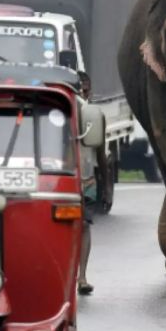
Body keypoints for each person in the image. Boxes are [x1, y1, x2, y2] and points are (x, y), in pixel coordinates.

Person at [76, 70, 95, 295]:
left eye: (86, 89)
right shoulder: (59, 108)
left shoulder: (90, 113)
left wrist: (103, 177)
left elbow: (97, 148)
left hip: (87, 178)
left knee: (84, 226)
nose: (83, 92)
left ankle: (82, 277)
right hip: (62, 175)